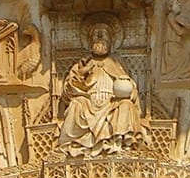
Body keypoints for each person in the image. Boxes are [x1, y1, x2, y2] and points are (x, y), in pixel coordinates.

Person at [58, 23, 142, 153]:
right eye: (96, 34)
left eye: (104, 34)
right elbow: (67, 92)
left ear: (111, 40)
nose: (100, 37)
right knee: (75, 105)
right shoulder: (82, 64)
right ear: (90, 40)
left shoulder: (117, 65)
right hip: (88, 104)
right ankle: (76, 145)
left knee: (126, 105)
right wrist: (81, 74)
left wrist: (126, 87)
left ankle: (118, 143)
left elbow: (132, 90)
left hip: (112, 105)